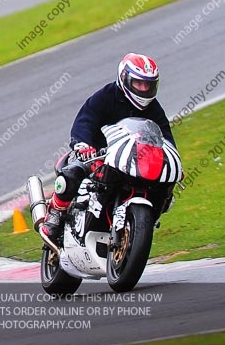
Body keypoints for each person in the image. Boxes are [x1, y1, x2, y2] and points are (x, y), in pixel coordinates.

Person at [42, 53, 178, 243]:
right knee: (71, 174)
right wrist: (83, 144)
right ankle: (55, 213)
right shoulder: (105, 97)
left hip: (131, 159)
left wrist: (172, 159)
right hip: (98, 154)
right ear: (124, 79)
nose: (144, 89)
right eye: (139, 83)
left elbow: (164, 137)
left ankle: (138, 227)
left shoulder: (154, 108)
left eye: (148, 84)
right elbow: (85, 121)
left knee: (163, 184)